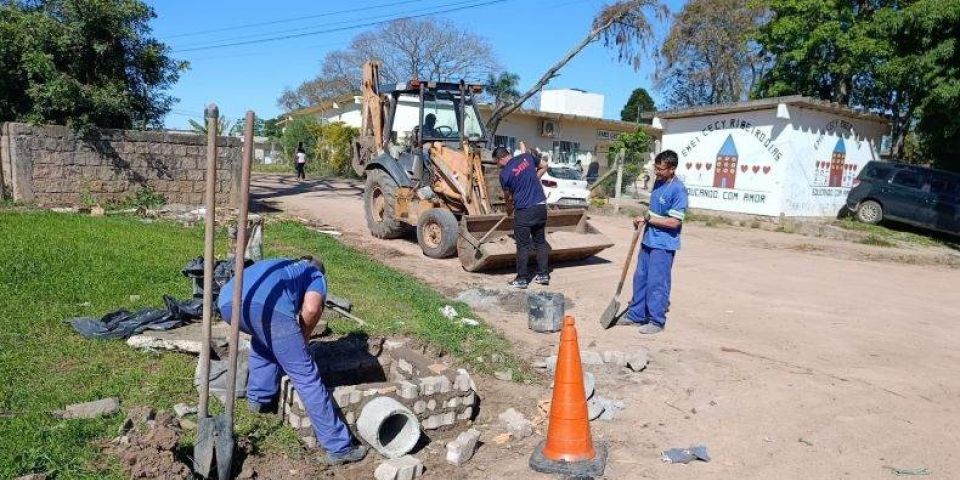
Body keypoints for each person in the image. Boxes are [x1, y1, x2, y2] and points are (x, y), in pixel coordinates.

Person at [217, 257, 368, 465]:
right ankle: (339, 447)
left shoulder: (281, 264)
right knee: (306, 376)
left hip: (227, 301)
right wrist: (303, 337)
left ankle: (258, 400)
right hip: (264, 307)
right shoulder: (314, 274)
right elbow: (312, 309)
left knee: (264, 342)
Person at [619, 150, 688, 335]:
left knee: (657, 282)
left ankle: (657, 321)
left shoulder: (678, 189)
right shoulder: (658, 182)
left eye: (660, 169)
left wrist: (649, 220)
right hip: (648, 239)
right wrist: (642, 219)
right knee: (640, 278)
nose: (656, 172)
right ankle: (636, 314)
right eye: (655, 168)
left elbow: (675, 221)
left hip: (664, 244)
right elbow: (653, 212)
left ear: (672, 169)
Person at [495, 142, 550, 289]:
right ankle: (544, 275)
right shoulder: (527, 157)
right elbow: (545, 165)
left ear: (500, 159)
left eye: (497, 162)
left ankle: (521, 279)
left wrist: (508, 210)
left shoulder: (504, 174)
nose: (498, 165)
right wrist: (535, 178)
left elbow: (508, 197)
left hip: (525, 211)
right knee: (540, 242)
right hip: (540, 207)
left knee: (523, 245)